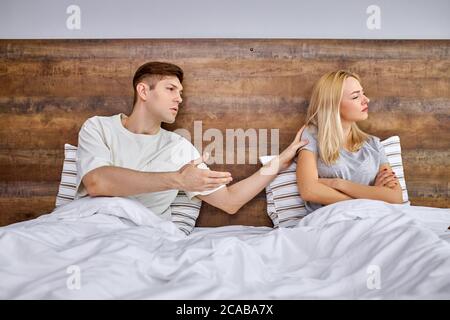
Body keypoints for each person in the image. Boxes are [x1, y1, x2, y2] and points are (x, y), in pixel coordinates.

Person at [75, 61, 308, 220]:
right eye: (171, 89)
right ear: (143, 91)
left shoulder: (178, 147)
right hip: (88, 224)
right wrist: (178, 180)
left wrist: (279, 162)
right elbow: (97, 183)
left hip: (140, 235)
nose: (179, 99)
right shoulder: (98, 127)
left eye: (181, 93)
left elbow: (229, 201)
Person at [296, 70, 403, 213]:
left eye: (363, 93)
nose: (366, 99)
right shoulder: (311, 135)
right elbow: (309, 190)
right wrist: (371, 196)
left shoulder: (373, 144)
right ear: (333, 105)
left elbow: (396, 197)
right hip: (331, 221)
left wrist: (338, 184)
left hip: (373, 217)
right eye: (355, 96)